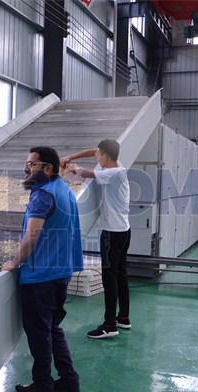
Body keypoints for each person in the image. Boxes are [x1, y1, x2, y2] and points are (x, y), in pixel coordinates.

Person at [2, 146, 83, 392]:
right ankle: (69, 379)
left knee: (39, 333)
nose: (26, 169)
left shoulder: (42, 195)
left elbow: (31, 237)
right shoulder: (64, 190)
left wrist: (14, 262)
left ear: (48, 168)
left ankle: (43, 384)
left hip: (41, 276)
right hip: (61, 271)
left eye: (32, 164)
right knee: (53, 329)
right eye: (26, 164)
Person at [60, 139, 131, 340]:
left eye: (99, 154)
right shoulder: (115, 165)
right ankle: (123, 317)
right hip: (124, 230)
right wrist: (71, 156)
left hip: (112, 233)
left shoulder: (112, 173)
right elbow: (93, 151)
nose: (96, 156)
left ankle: (110, 325)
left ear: (105, 156)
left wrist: (70, 166)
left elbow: (83, 173)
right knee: (121, 275)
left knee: (109, 278)